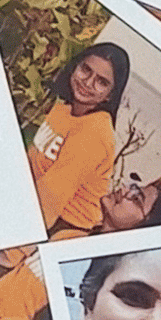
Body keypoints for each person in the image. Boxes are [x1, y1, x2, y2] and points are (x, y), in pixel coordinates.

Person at [27, 44, 130, 236]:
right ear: (75, 66)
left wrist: (6, 254)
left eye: (102, 82)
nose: (88, 83)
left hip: (59, 229)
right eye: (86, 70)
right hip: (30, 205)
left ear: (110, 95)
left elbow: (49, 199)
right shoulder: (63, 109)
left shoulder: (94, 134)